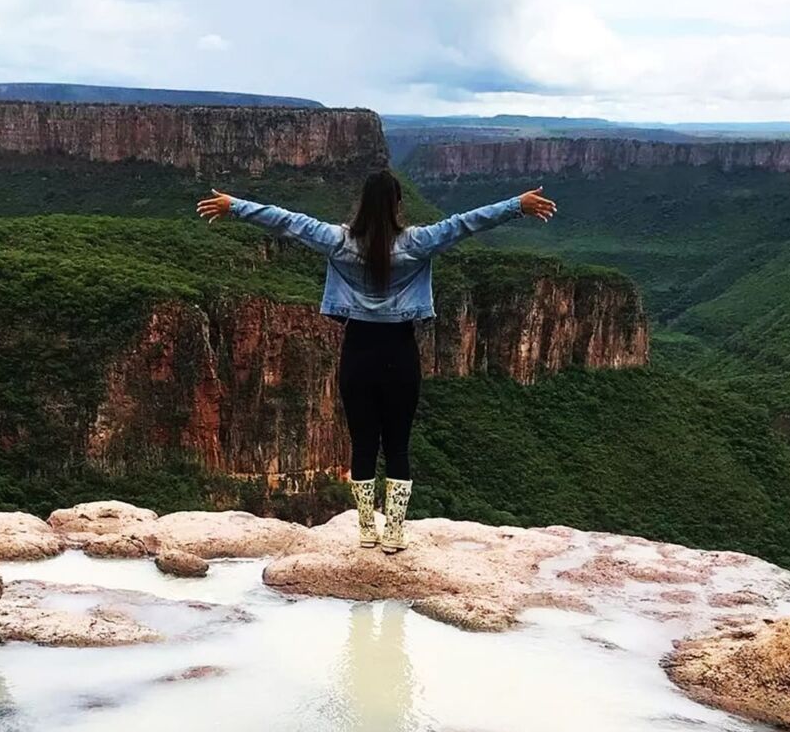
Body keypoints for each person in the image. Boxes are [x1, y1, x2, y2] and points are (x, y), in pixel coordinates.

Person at [196, 169, 557, 552]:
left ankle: (368, 528)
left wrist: (234, 206)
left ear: (362, 205)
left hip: (358, 352)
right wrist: (516, 206)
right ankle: (395, 532)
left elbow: (287, 222)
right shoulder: (418, 243)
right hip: (400, 353)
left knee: (363, 444)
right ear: (398, 205)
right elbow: (465, 224)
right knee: (398, 444)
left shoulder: (339, 242)